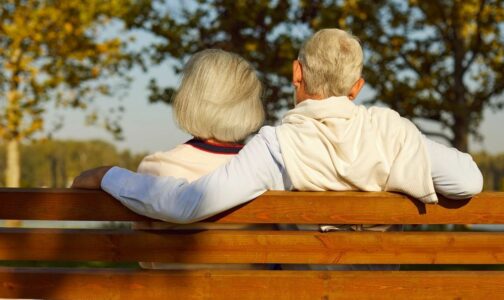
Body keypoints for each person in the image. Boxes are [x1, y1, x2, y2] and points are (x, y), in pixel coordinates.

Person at [72, 29, 483, 270]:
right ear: (357, 88)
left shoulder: (277, 145)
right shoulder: (393, 131)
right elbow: (467, 180)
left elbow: (187, 204)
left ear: (296, 73)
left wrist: (108, 175)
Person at [134, 49, 269, 270]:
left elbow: (145, 259)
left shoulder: (156, 168)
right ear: (250, 105)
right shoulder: (266, 170)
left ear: (189, 99)